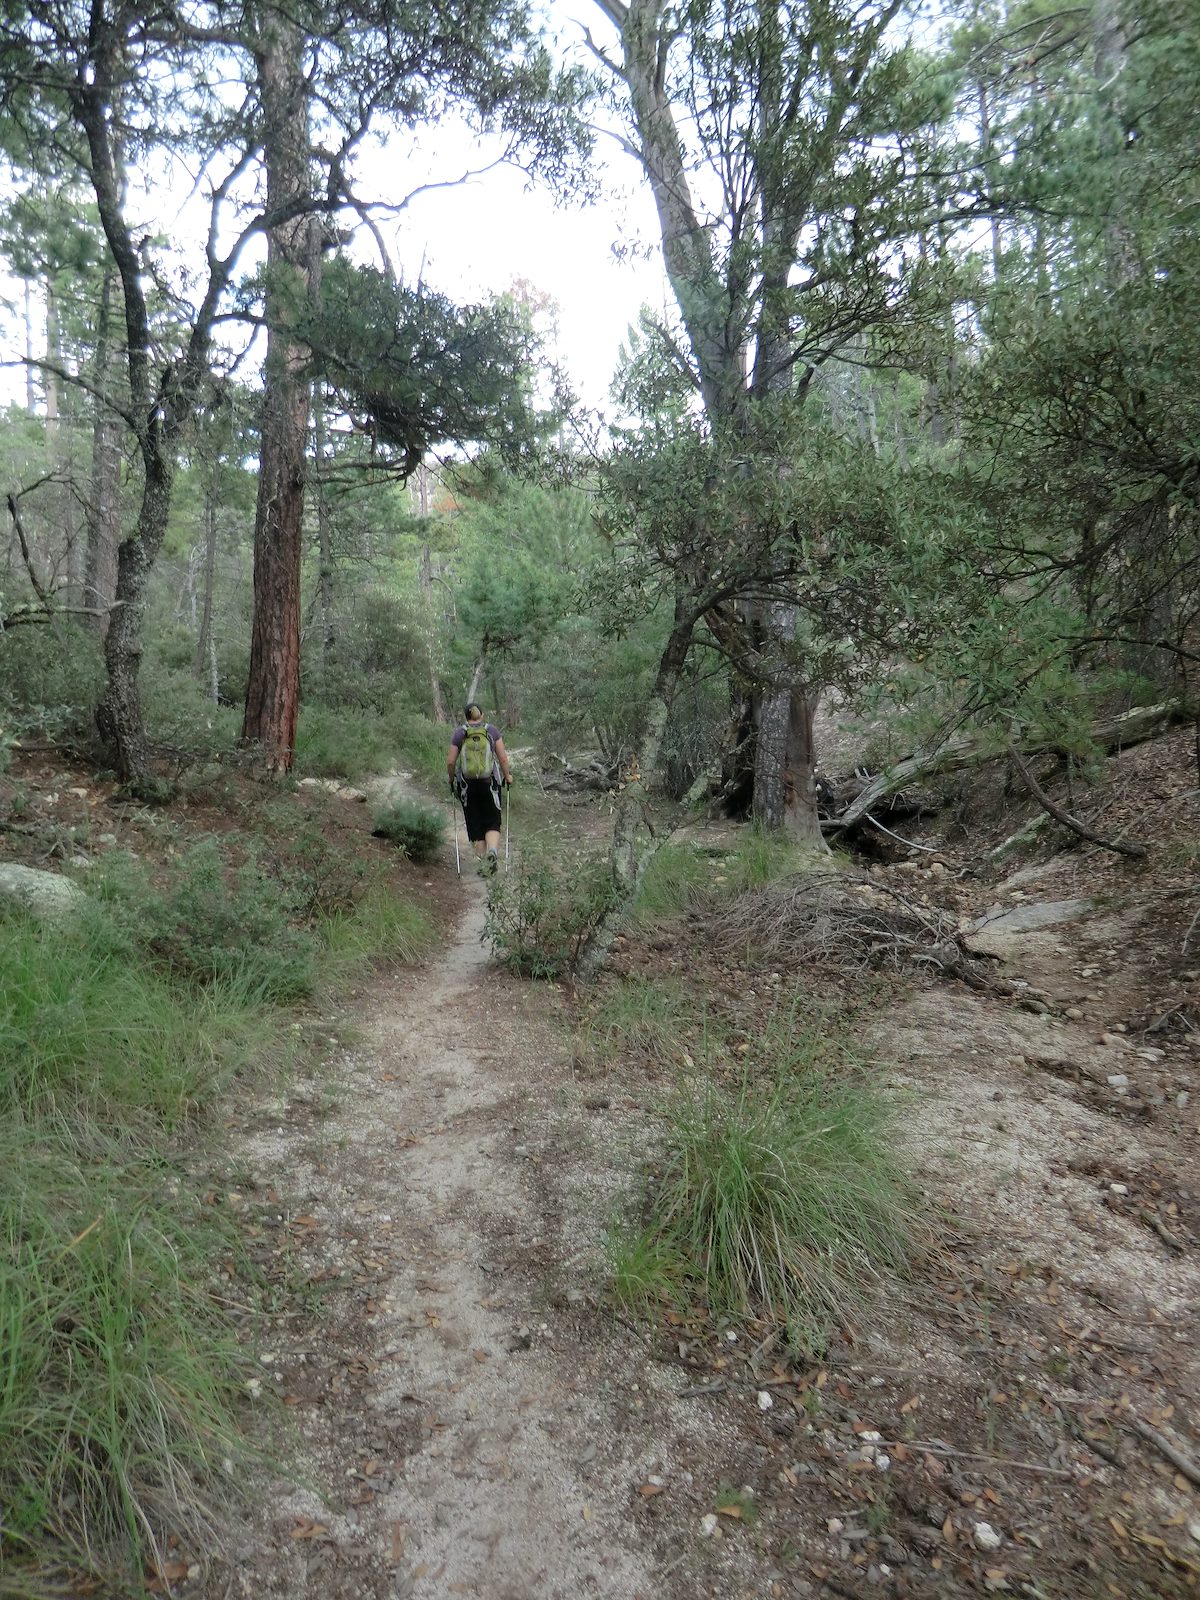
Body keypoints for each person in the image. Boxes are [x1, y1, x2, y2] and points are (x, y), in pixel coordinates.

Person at [447, 702, 512, 875]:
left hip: (467, 786)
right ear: (482, 715)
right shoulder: (492, 731)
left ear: (466, 716)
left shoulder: (460, 733)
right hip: (489, 784)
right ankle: (493, 851)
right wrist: (508, 776)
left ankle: (483, 864)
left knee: (475, 823)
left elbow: (451, 762)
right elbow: (503, 759)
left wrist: (451, 779)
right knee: (492, 821)